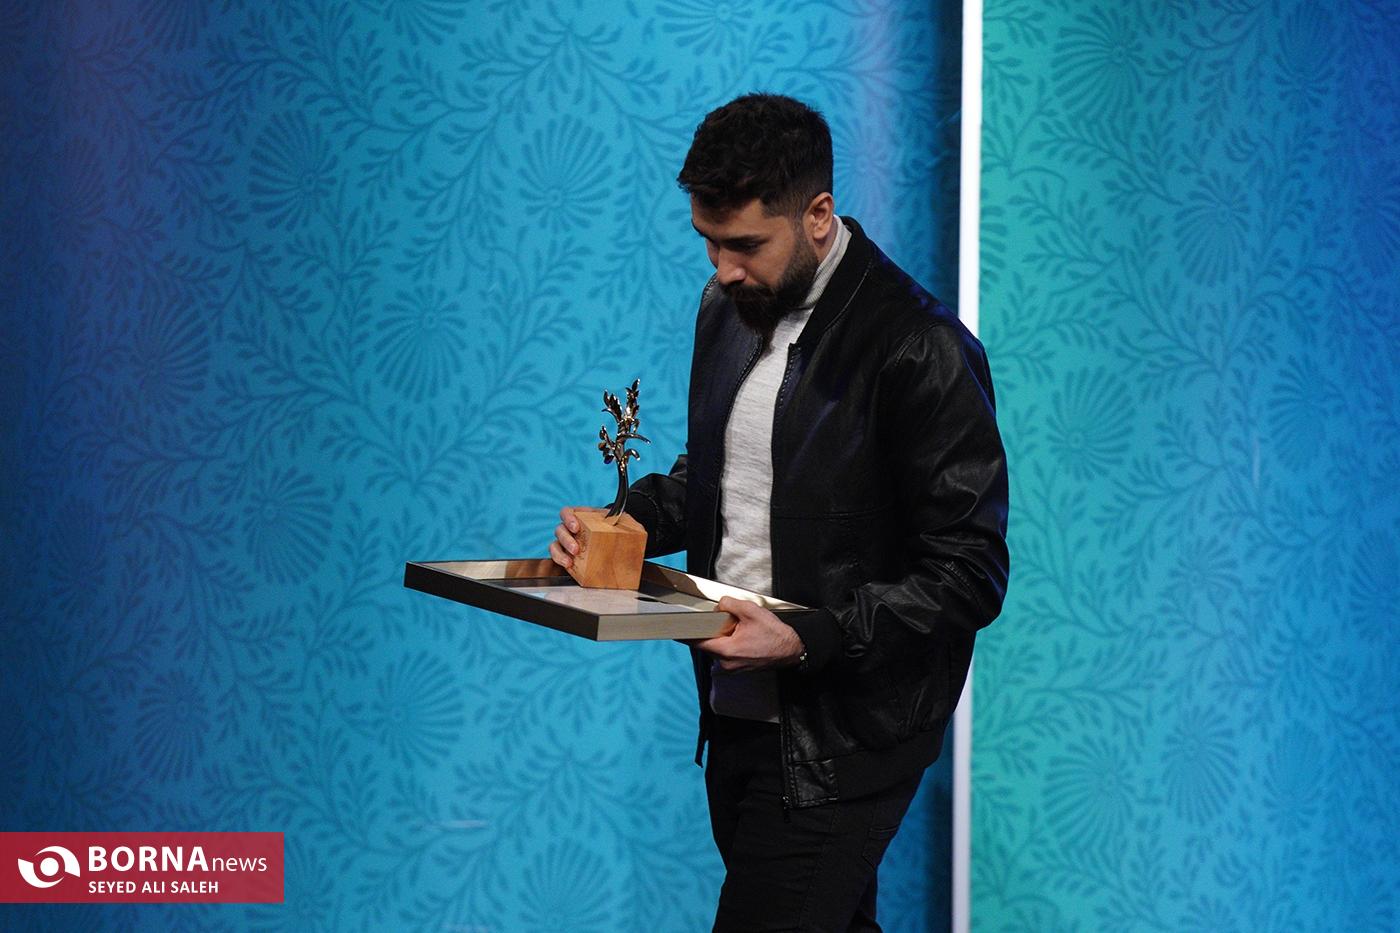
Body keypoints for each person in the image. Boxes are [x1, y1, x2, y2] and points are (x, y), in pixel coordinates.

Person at [550, 94, 1009, 932]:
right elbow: (723, 474)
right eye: (709, 241)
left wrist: (807, 635)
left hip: (844, 743)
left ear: (819, 215)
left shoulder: (922, 347)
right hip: (735, 718)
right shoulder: (726, 310)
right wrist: (632, 519)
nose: (723, 268)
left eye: (745, 245)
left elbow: (969, 570)